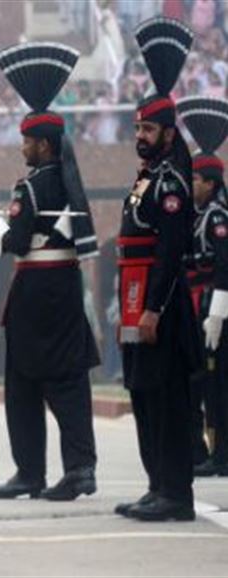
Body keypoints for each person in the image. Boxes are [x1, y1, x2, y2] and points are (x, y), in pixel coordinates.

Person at [0, 42, 100, 502]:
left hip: (36, 291)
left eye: (27, 139)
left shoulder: (32, 185)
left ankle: (30, 471)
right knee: (69, 382)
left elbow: (17, 243)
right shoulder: (66, 181)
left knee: (23, 384)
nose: (22, 145)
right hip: (65, 286)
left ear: (42, 144)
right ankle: (81, 468)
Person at [115, 16, 201, 522]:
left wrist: (151, 310)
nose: (140, 136)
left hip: (159, 307)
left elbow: (169, 252)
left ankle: (177, 494)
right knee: (144, 396)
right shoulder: (148, 176)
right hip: (135, 301)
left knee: (168, 401)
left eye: (148, 128)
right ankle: (155, 485)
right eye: (137, 128)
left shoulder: (170, 181)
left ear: (168, 132)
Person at [179, 95, 228, 477]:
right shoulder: (199, 214)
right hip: (198, 299)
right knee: (205, 378)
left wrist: (218, 310)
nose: (190, 184)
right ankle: (210, 450)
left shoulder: (217, 217)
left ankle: (223, 452)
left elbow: (223, 263)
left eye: (195, 178)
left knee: (219, 380)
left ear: (210, 183)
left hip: (214, 302)